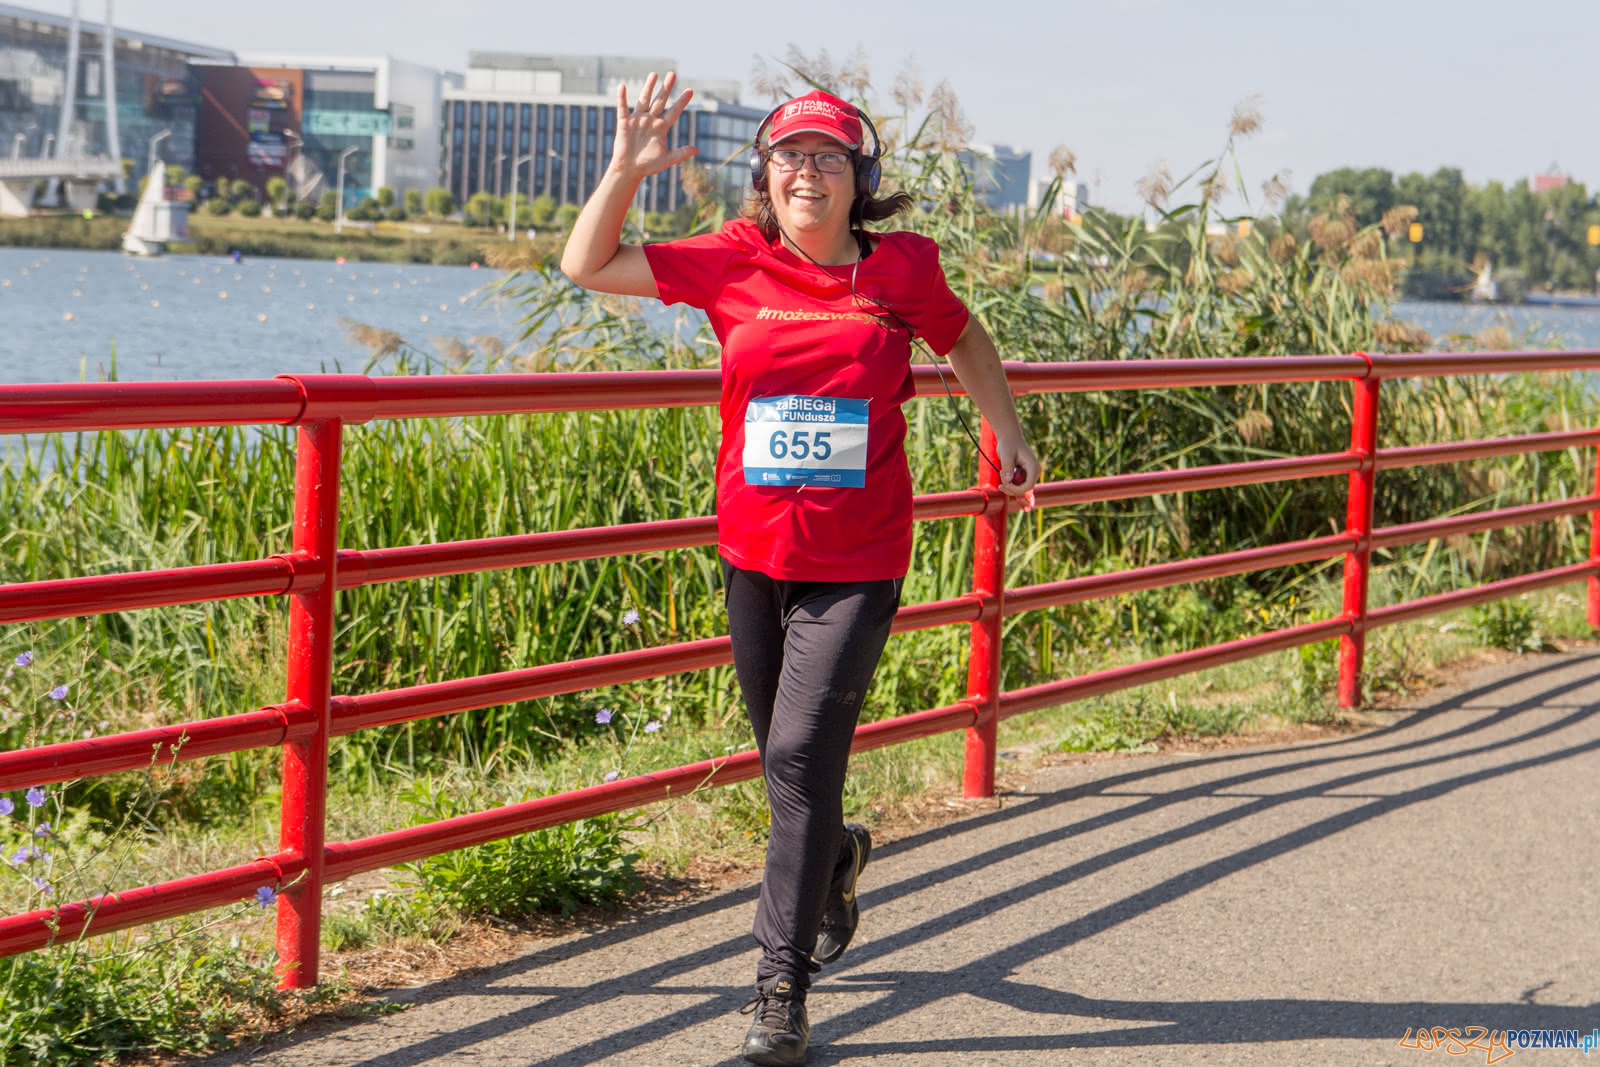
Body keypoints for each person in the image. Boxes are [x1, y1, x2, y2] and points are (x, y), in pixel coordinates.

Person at [561, 72, 1039, 1067]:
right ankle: (836, 859)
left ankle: (777, 997)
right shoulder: (731, 262)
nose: (807, 173)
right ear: (763, 175)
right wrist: (624, 167)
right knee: (790, 767)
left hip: (858, 557)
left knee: (794, 759)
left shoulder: (901, 268)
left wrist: (1009, 434)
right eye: (788, 156)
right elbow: (586, 264)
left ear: (859, 177)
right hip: (752, 552)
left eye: (827, 156)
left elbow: (966, 340)